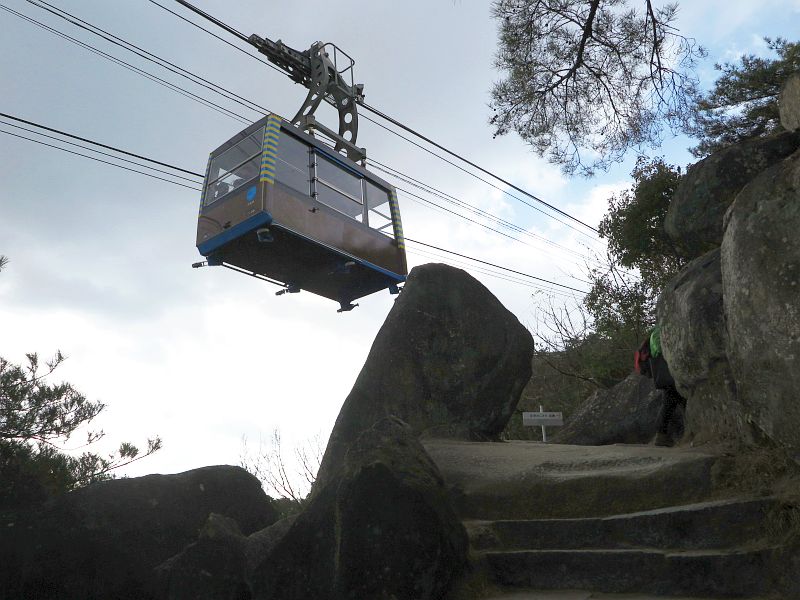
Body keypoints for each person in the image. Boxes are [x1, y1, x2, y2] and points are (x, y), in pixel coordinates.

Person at [634, 324, 686, 447]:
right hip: (668, 374)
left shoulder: (655, 334)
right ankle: (661, 436)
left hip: (664, 375)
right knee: (670, 403)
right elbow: (659, 351)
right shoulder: (658, 332)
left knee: (671, 403)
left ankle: (662, 436)